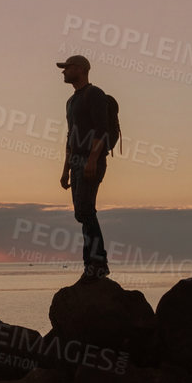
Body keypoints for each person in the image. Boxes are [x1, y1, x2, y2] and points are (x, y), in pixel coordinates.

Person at [56, 53, 115, 281]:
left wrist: (92, 159)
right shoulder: (71, 102)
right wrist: (65, 168)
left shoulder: (94, 94)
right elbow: (71, 135)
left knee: (86, 210)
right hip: (76, 163)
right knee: (82, 213)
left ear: (81, 69)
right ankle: (92, 262)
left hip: (93, 160)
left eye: (67, 67)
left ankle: (97, 263)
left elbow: (101, 130)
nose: (63, 71)